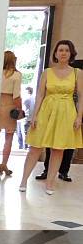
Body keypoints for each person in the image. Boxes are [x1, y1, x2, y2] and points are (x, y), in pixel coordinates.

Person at [19, 39, 83, 195]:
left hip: (66, 111)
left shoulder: (77, 73)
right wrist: (34, 116)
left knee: (58, 149)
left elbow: (81, 96)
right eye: (60, 50)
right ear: (55, 53)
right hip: (46, 111)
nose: (63, 53)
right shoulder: (47, 72)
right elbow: (40, 95)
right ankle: (23, 180)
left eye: (67, 50)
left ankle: (50, 182)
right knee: (35, 147)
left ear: (71, 53)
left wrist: (79, 117)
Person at [0, 51, 22, 175]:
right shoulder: (16, 75)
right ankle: (4, 164)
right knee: (9, 137)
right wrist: (20, 110)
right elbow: (16, 96)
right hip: (10, 107)